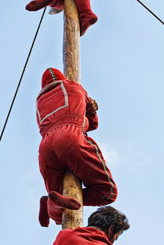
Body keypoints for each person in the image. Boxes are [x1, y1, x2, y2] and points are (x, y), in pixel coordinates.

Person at [36, 67, 117, 227]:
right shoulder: (74, 86)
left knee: (61, 213)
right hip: (70, 136)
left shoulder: (39, 103)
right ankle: (62, 200)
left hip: (45, 149)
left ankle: (50, 204)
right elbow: (92, 125)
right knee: (108, 192)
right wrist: (92, 111)